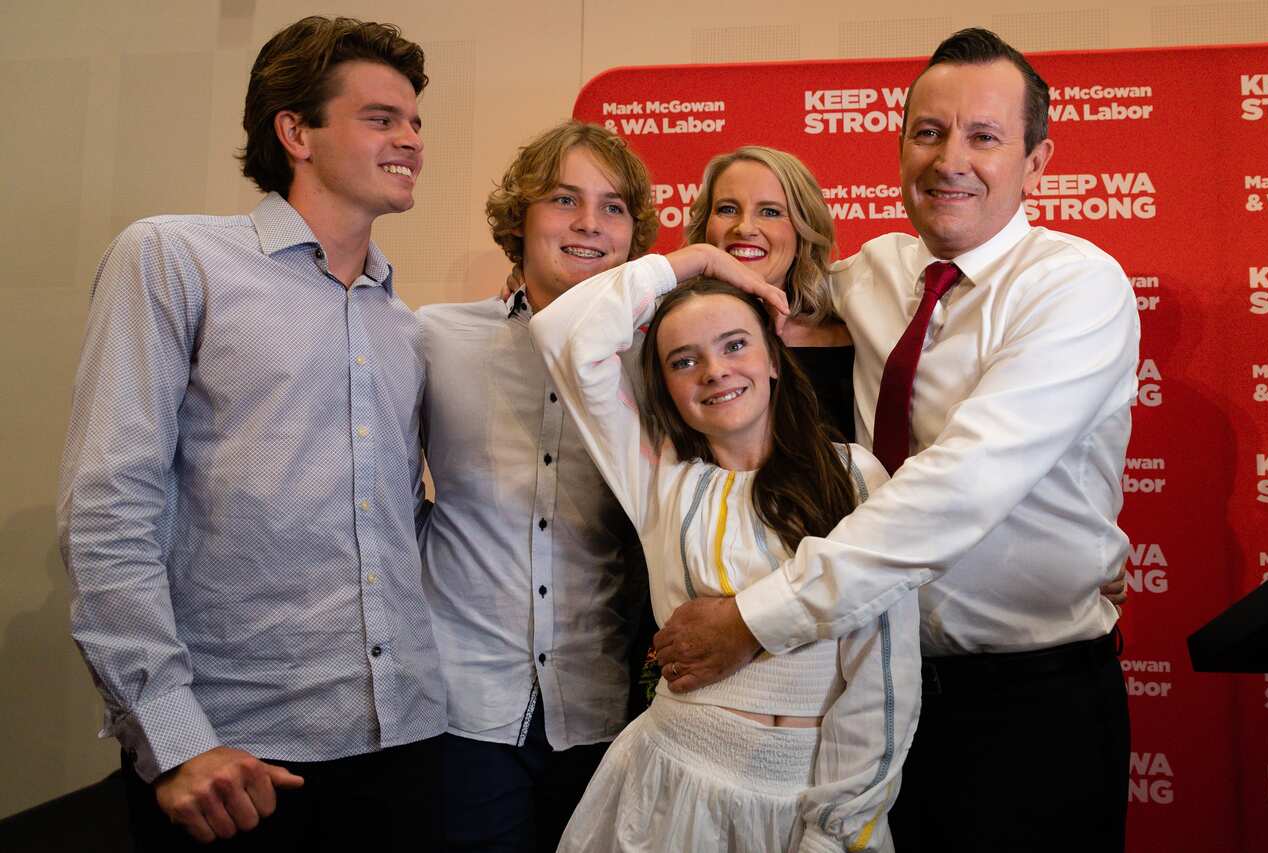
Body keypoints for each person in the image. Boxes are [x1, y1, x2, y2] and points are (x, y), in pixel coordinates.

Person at [652, 27, 1139, 852]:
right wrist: (699, 257)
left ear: (1038, 161)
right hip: (860, 702)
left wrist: (754, 618)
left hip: (1024, 706)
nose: (951, 158)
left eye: (984, 137)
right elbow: (756, 289)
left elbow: (956, 488)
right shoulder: (871, 275)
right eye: (928, 131)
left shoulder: (1076, 286)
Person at [57, 16, 445, 849]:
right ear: (295, 131)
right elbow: (107, 511)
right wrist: (174, 741)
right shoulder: (172, 258)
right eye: (381, 118)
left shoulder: (405, 328)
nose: (410, 139)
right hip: (232, 762)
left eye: (415, 121)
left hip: (405, 747)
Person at [529, 248, 923, 851]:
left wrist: (837, 829)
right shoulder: (659, 477)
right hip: (669, 789)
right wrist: (698, 261)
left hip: (806, 801)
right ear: (664, 386)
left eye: (735, 345)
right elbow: (563, 332)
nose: (714, 370)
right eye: (684, 361)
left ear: (773, 359)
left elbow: (885, 676)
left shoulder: (854, 476)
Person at [416, 121, 657, 852]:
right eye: (564, 199)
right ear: (518, 218)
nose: (590, 224)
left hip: (603, 713)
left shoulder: (660, 361)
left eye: (613, 207)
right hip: (464, 712)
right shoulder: (433, 339)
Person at [685, 146, 855, 439]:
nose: (745, 228)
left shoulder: (852, 339)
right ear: (705, 227)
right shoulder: (667, 331)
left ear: (803, 230)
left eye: (770, 212)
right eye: (727, 209)